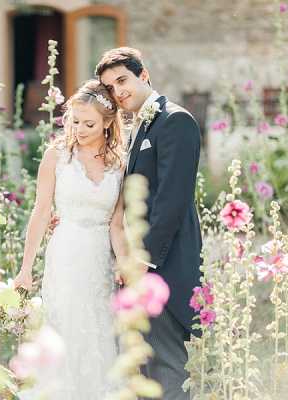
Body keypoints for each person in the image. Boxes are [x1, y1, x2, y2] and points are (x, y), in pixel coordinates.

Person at [96, 47, 202, 400]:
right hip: (138, 269)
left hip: (163, 269)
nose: (118, 91)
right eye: (110, 87)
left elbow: (171, 201)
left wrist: (141, 261)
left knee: (166, 369)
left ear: (143, 75)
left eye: (122, 80)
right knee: (140, 369)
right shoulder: (140, 125)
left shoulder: (176, 120)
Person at [13, 79, 127, 399]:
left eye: (89, 123)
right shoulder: (57, 156)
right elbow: (40, 212)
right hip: (65, 251)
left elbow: (118, 222)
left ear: (107, 123)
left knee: (100, 329)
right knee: (65, 325)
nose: (79, 128)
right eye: (74, 121)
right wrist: (25, 269)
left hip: (100, 256)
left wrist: (122, 263)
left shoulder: (119, 163)